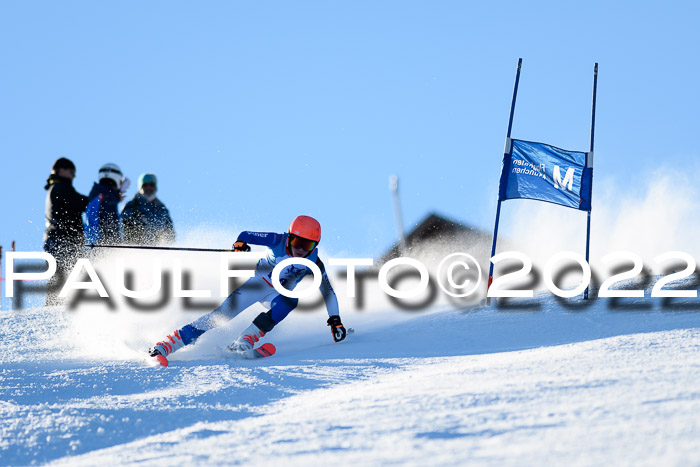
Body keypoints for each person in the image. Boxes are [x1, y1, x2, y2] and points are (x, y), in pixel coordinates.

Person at [149, 215, 347, 360]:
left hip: (278, 294)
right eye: (298, 242)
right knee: (220, 316)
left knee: (290, 301)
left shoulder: (314, 262)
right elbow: (246, 235)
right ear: (289, 237)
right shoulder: (277, 240)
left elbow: (327, 292)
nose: (301, 250)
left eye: (308, 246)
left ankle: (245, 340)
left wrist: (335, 320)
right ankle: (169, 344)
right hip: (257, 285)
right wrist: (240, 244)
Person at [43, 157, 89, 306]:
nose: (73, 176)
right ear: (61, 170)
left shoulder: (55, 188)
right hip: (61, 240)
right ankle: (54, 308)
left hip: (56, 240)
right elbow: (79, 203)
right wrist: (98, 198)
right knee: (64, 274)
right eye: (72, 172)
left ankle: (57, 305)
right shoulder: (61, 188)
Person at [121, 173, 175, 245]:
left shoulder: (161, 209)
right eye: (145, 185)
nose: (148, 187)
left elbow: (170, 235)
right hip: (135, 248)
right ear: (140, 188)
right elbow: (121, 225)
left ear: (155, 187)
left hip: (155, 250)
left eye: (151, 185)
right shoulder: (132, 205)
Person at [85, 163, 128, 245]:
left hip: (94, 242)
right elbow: (109, 221)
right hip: (103, 243)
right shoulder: (106, 195)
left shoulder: (97, 192)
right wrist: (116, 242)